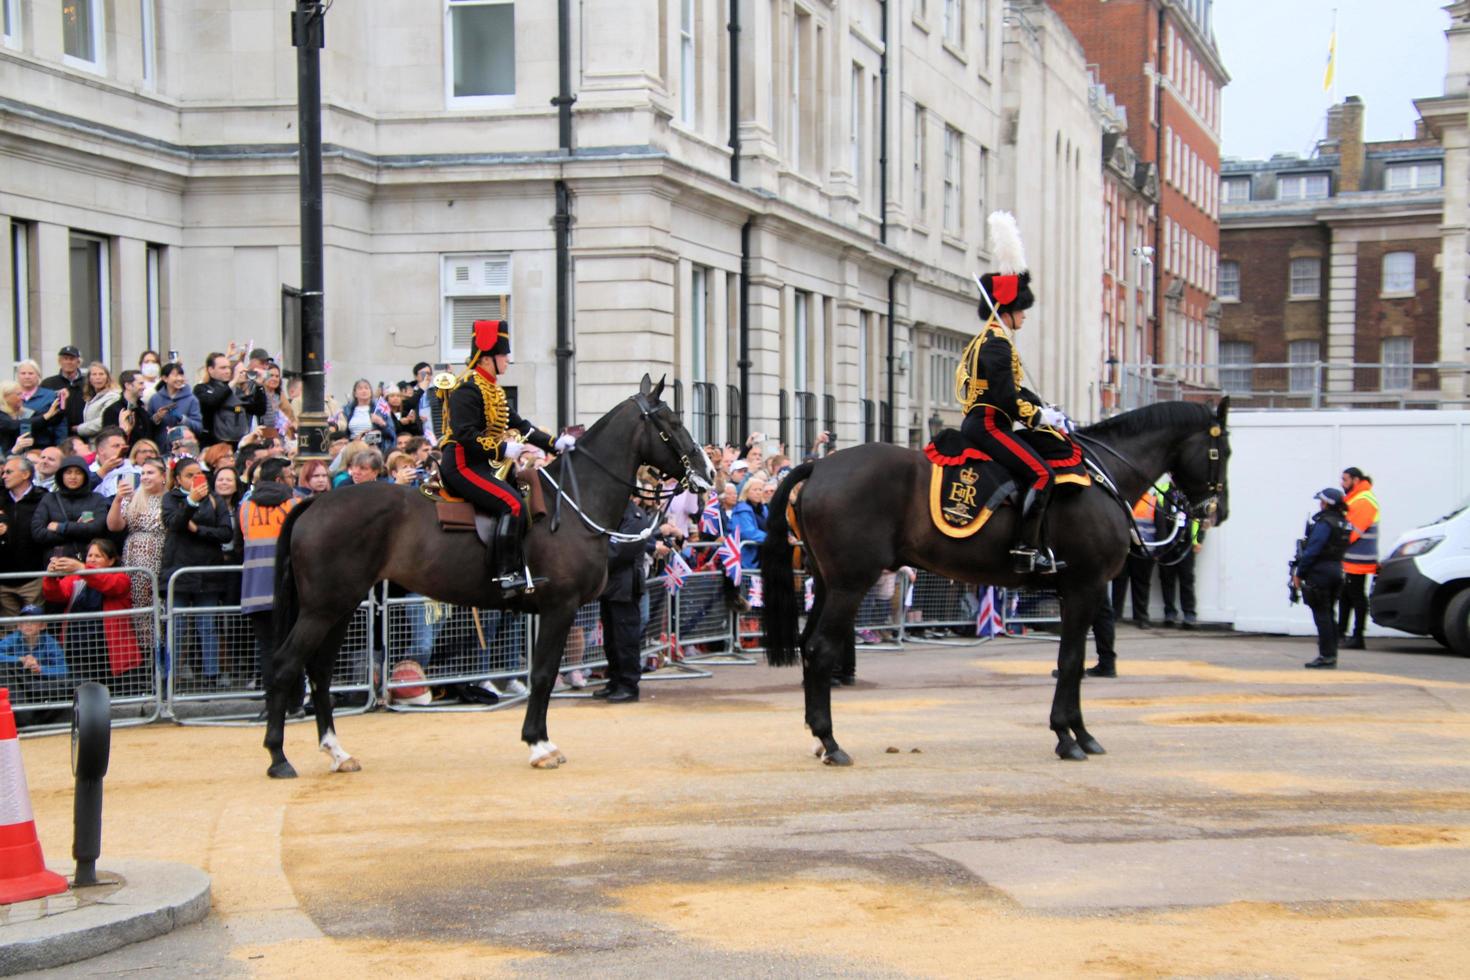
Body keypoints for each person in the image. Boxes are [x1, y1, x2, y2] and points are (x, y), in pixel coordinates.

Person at [955, 211, 1068, 573]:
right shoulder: (997, 344)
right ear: (1010, 308)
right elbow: (1005, 398)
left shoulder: (994, 339)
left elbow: (1014, 389)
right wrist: (1036, 417)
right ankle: (1025, 548)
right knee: (1041, 473)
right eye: (1023, 309)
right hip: (988, 424)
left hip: (990, 422)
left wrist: (1046, 409)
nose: (1026, 316)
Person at [438, 319, 568, 592]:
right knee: (512, 504)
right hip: (461, 465)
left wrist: (556, 443)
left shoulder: (494, 389)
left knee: (522, 499)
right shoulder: (467, 387)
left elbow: (522, 427)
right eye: (503, 355)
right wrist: (502, 449)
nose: (508, 360)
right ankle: (505, 574)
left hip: (481, 465)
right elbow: (464, 433)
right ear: (487, 358)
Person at [162, 457, 235, 687]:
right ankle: (170, 675)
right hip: (179, 568)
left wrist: (198, 529)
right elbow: (173, 524)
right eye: (189, 475)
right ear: (178, 479)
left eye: (198, 474)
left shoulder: (214, 500)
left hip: (208, 570)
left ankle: (211, 673)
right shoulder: (170, 498)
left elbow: (226, 533)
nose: (195, 479)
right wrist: (191, 503)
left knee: (207, 623)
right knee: (177, 624)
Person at [594, 494, 664, 703]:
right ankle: (615, 680)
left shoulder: (634, 516)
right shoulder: (614, 513)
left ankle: (628, 684)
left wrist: (594, 558)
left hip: (624, 586)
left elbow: (619, 550)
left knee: (625, 639)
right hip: (611, 586)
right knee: (612, 639)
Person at [237, 458, 300, 695]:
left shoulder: (246, 508)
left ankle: (272, 703)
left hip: (255, 589)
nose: (293, 479)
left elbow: (237, 545)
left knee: (267, 649)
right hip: (289, 588)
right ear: (278, 480)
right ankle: (294, 701)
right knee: (294, 647)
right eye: (290, 476)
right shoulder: (295, 504)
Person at [42, 539, 142, 682]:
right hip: (78, 650)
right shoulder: (76, 577)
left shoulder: (121, 578)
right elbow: (55, 595)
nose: (92, 559)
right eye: (90, 556)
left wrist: (83, 569)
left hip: (110, 652)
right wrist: (51, 576)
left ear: (111, 560)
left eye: (98, 556)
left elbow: (108, 584)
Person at [106, 458, 169, 636]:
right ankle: (143, 654)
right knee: (136, 605)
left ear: (163, 476)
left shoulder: (170, 499)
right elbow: (114, 526)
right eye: (142, 473)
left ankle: (161, 648)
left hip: (160, 557)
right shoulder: (132, 497)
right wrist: (118, 500)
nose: (145, 477)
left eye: (150, 473)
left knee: (158, 603)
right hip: (133, 559)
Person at [1294, 487, 1354, 670]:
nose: (1320, 504)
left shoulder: (1324, 523)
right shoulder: (1344, 523)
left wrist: (1299, 573)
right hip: (1337, 571)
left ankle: (1326, 656)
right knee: (1329, 614)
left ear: (1326, 503)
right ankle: (1331, 654)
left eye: (1322, 501)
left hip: (1321, 573)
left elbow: (1313, 550)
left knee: (1322, 615)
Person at [31, 455, 107, 561]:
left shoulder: (97, 499)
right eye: (68, 472)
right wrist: (79, 529)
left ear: (85, 475)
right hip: (56, 561)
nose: (73, 477)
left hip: (88, 561)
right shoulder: (49, 499)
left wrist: (61, 528)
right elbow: (38, 533)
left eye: (78, 473)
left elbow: (97, 529)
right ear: (61, 475)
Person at [0, 456, 49, 615]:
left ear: (25, 474)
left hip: (33, 578)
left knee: (33, 628)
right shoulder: (1, 498)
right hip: (3, 578)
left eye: (9, 472)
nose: (4, 476)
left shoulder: (43, 498)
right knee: (8, 633)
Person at [1337, 466, 1380, 651]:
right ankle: (1342, 634)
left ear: (1355, 480)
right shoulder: (1357, 498)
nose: (1342, 483)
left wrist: (1335, 544)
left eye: (1345, 479)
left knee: (1355, 596)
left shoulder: (1364, 500)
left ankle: (1357, 636)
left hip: (1358, 559)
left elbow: (1353, 531)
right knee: (1346, 596)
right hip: (1353, 558)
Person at [0, 604, 69, 708]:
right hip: (18, 683)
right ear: (19, 625)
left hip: (41, 683)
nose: (28, 624)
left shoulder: (50, 643)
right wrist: (21, 659)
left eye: (33, 621)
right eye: (24, 621)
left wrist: (40, 669)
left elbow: (63, 670)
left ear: (42, 626)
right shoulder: (12, 639)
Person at [195, 352, 266, 449]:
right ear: (211, 370)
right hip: (212, 445)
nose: (227, 371)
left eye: (228, 368)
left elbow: (259, 410)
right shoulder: (201, 388)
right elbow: (212, 402)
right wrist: (232, 383)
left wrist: (259, 386)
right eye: (223, 368)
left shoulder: (236, 392)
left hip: (235, 444)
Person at [0, 379, 63, 457]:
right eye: (18, 394)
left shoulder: (25, 412)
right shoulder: (2, 415)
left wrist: (60, 406)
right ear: (6, 397)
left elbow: (48, 421)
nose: (23, 397)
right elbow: (13, 425)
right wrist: (45, 416)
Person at [14, 361, 66, 448]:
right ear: (17, 376)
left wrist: (60, 446)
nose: (27, 377)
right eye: (23, 373)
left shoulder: (50, 396)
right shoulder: (10, 396)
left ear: (38, 376)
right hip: (14, 446)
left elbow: (60, 424)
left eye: (31, 373)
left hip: (43, 446)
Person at [102, 370, 160, 448]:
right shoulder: (113, 411)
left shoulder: (142, 409)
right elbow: (108, 439)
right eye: (140, 383)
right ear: (128, 385)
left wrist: (156, 418)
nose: (144, 387)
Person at [329, 379, 396, 445]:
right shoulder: (347, 410)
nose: (364, 391)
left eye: (366, 388)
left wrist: (381, 423)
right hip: (353, 448)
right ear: (355, 393)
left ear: (371, 392)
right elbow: (344, 433)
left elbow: (391, 434)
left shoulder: (380, 409)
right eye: (360, 388)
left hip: (373, 448)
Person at [147, 362, 203, 438]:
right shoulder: (155, 399)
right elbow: (147, 427)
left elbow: (198, 428)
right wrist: (157, 417)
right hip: (161, 446)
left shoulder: (191, 400)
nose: (180, 378)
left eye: (181, 375)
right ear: (165, 378)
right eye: (175, 375)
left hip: (183, 446)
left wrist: (182, 419)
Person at [40, 345, 86, 434]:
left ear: (78, 362)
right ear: (60, 361)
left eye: (72, 359)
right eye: (65, 359)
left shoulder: (87, 382)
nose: (68, 362)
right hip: (56, 431)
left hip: (82, 431)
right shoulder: (48, 383)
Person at [76, 362, 121, 440]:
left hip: (104, 441)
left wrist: (79, 429)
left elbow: (103, 421)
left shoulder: (113, 396)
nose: (98, 377)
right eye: (94, 374)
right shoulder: (91, 397)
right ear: (89, 379)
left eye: (101, 374)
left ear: (107, 377)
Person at [88, 427, 137, 499]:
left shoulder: (135, 471)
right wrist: (103, 471)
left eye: (124, 446)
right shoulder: (88, 472)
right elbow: (78, 492)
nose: (122, 449)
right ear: (101, 450)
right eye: (116, 446)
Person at [731, 475, 768, 568]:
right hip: (748, 558)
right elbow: (748, 532)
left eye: (760, 490)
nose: (758, 493)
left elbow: (774, 525)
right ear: (746, 492)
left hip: (764, 556)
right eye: (755, 490)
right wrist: (771, 538)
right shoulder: (741, 510)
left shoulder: (764, 509)